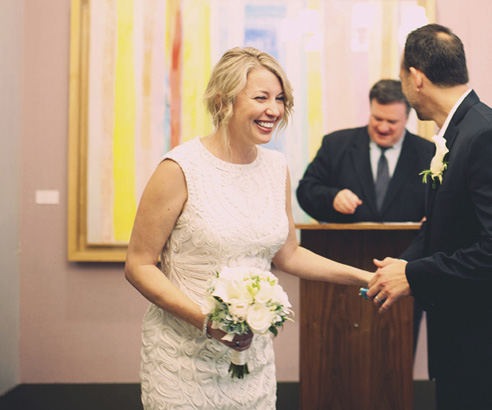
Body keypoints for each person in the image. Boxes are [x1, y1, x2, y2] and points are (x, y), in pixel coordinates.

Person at [125, 47, 373, 409]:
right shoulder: (179, 168)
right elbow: (139, 265)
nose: (274, 109)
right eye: (261, 97)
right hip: (182, 359)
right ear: (223, 100)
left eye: (280, 99)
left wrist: (365, 278)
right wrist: (208, 323)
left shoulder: (276, 168)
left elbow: (288, 254)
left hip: (250, 359)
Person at [367, 24, 492, 409]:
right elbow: (444, 227)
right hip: (467, 346)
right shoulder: (456, 134)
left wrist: (413, 276)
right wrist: (403, 263)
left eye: (402, 78)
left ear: (416, 78)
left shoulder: (488, 135)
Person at [296, 79, 434, 223]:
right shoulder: (335, 144)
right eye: (377, 118)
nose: (383, 128)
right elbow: (305, 190)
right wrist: (333, 198)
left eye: (392, 122)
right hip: (344, 243)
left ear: (406, 118)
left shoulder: (429, 153)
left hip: (409, 243)